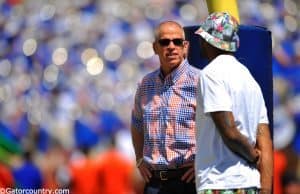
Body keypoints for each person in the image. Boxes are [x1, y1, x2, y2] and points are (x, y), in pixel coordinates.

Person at [194, 12, 273, 194]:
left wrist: (253, 156)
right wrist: (266, 188)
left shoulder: (211, 74)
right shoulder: (250, 80)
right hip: (250, 183)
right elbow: (264, 139)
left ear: (209, 41)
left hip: (219, 181)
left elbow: (229, 131)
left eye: (202, 38)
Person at [131, 21, 199, 194]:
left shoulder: (200, 81)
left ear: (185, 47)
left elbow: (218, 127)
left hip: (188, 181)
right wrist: (139, 159)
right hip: (154, 182)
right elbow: (137, 124)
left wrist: (203, 161)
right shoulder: (146, 84)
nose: (171, 46)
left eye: (177, 42)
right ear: (155, 48)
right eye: (164, 42)